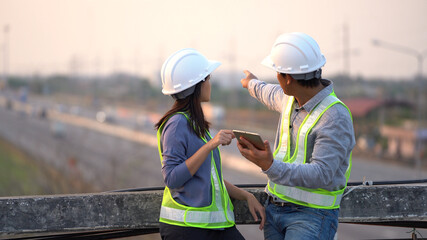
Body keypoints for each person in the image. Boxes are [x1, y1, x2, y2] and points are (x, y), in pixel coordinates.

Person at [236, 32, 356, 240]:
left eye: (277, 73)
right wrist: (251, 83)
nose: (276, 78)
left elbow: (321, 174)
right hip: (274, 210)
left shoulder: (335, 116)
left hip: (312, 217)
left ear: (288, 78)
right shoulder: (289, 98)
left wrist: (269, 166)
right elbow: (267, 91)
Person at [155, 48, 265, 240]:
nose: (210, 83)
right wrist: (209, 146)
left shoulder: (194, 123)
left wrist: (246, 195)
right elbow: (172, 178)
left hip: (213, 227)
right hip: (186, 229)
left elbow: (210, 178)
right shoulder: (176, 124)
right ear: (196, 85)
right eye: (207, 78)